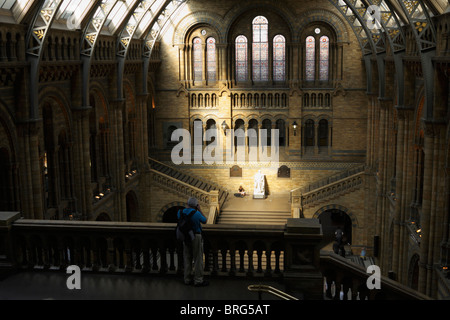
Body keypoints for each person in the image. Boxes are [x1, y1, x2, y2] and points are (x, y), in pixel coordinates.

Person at [178, 197, 208, 287]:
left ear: (187, 203)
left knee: (187, 258)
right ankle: (198, 280)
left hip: (185, 236)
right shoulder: (197, 213)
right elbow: (205, 221)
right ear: (196, 205)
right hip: (196, 236)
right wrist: (199, 209)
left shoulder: (180, 212)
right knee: (198, 258)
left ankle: (187, 279)